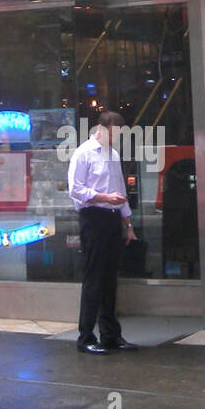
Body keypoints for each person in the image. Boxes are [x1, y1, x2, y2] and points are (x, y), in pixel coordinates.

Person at [67, 111, 139, 354]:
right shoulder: (83, 153)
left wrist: (128, 224)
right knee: (94, 276)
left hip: (112, 218)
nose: (116, 137)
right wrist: (104, 197)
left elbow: (120, 189)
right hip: (93, 217)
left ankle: (110, 334)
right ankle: (86, 336)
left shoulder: (113, 154)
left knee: (110, 277)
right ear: (101, 128)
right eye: (114, 132)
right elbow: (75, 189)